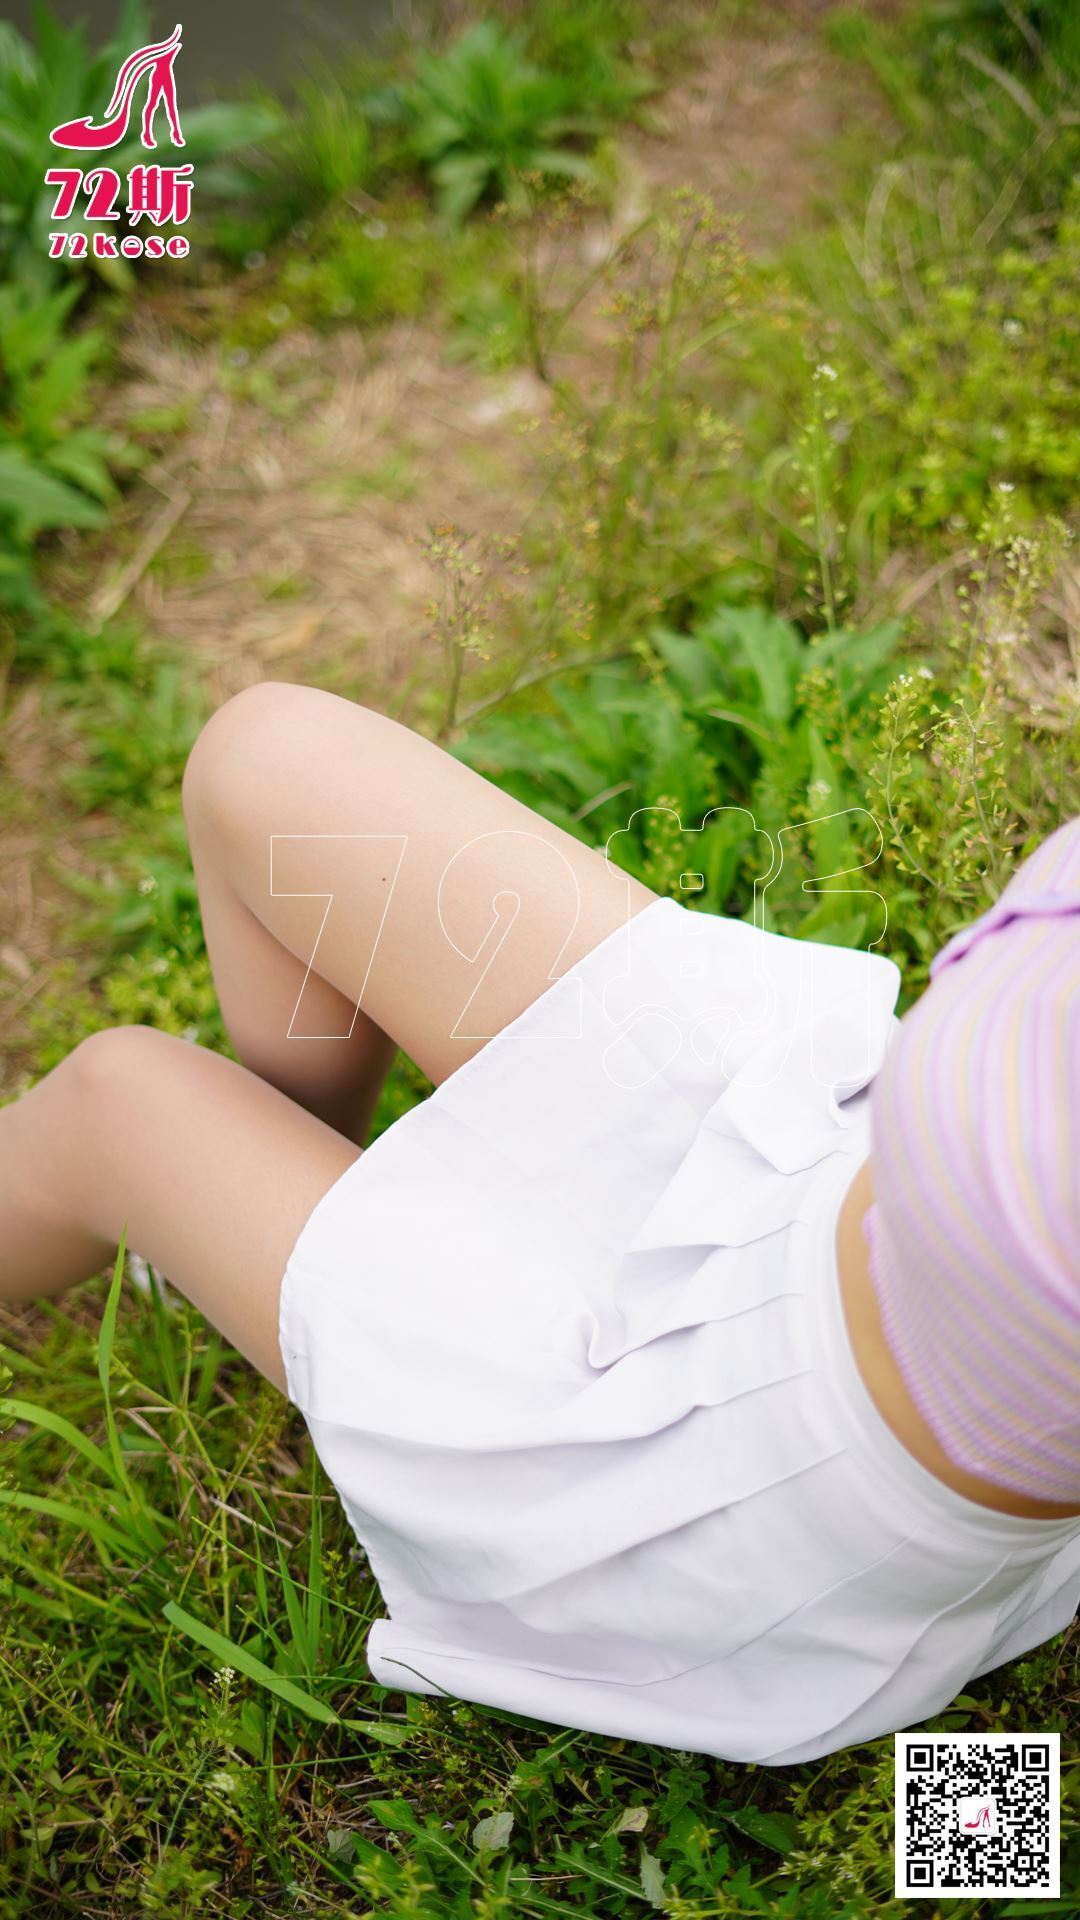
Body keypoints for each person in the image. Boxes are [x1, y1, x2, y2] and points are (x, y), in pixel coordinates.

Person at [2, 681, 1077, 1765]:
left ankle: (255, 1224)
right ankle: (280, 1185)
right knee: (262, 756)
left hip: (742, 1463)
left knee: (117, 1098)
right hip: (799, 1153)